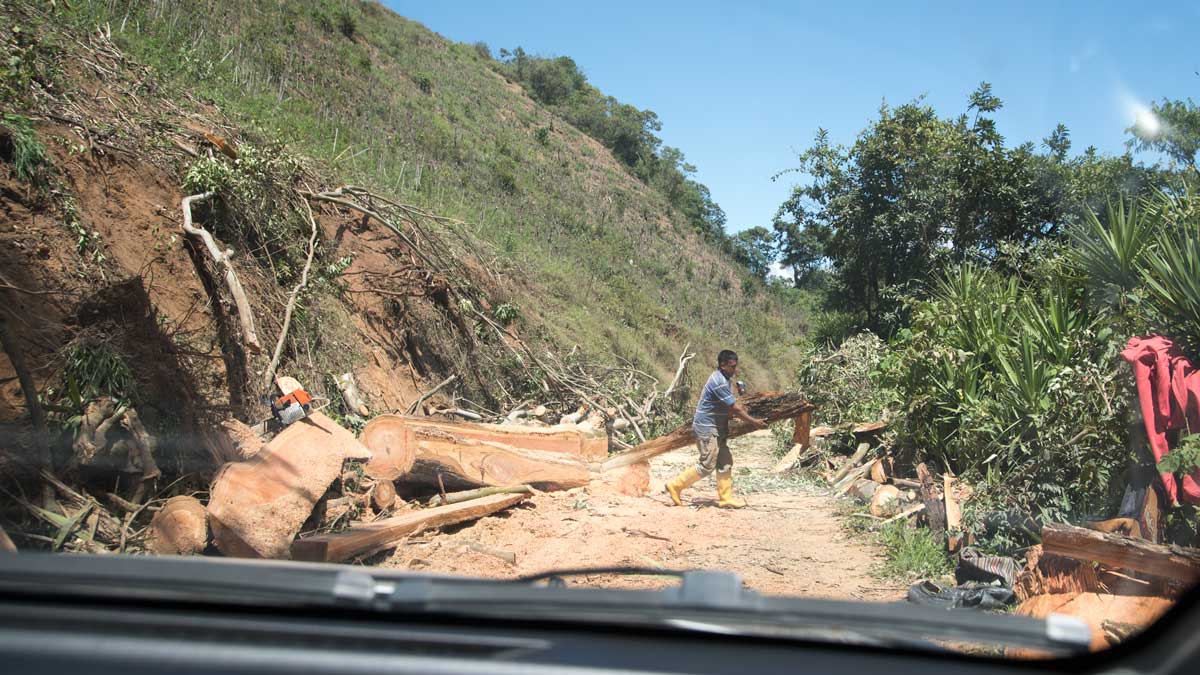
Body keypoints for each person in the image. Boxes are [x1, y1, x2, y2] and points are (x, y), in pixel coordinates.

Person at [665, 349, 767, 508]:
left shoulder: (725, 380)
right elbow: (735, 408)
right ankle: (675, 485)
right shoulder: (718, 381)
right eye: (731, 366)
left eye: (735, 366)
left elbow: (726, 407)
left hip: (716, 427)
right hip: (706, 428)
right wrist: (754, 422)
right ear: (722, 365)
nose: (735, 370)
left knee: (725, 460)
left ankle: (726, 498)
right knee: (707, 464)